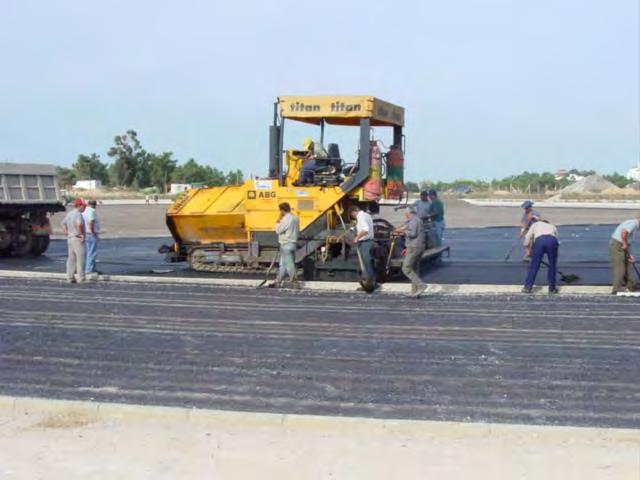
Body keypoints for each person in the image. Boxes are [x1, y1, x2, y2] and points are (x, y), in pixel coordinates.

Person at [394, 206, 428, 297]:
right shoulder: (415, 220)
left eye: (406, 213)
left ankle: (421, 285)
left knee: (406, 268)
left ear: (408, 213)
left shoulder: (414, 220)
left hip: (415, 247)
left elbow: (412, 233)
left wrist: (401, 231)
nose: (405, 215)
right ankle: (414, 292)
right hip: (415, 246)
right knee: (414, 269)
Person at [522, 219, 559, 294]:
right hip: (552, 241)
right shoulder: (552, 226)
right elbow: (556, 238)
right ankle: (552, 288)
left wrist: (528, 249)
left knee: (534, 265)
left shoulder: (536, 224)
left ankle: (527, 287)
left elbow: (528, 237)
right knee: (552, 265)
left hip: (540, 241)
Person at [609, 216, 640, 294]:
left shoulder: (634, 225)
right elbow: (624, 232)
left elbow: (627, 239)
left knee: (629, 264)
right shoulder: (633, 223)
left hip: (622, 244)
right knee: (620, 268)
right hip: (617, 245)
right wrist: (624, 244)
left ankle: (631, 286)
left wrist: (629, 254)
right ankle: (616, 289)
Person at [273, 202, 300, 287]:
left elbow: (278, 230)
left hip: (286, 244)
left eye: (280, 210)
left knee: (289, 264)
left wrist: (278, 221)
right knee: (283, 264)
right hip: (293, 243)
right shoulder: (295, 218)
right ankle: (278, 281)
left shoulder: (286, 219)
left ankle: (294, 281)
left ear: (282, 210)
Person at [61, 198, 87, 284]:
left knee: (71, 259)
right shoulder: (78, 214)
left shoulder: (70, 213)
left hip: (70, 238)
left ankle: (70, 277)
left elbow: (63, 223)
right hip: (77, 238)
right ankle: (81, 278)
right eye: (84, 206)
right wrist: (81, 235)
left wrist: (66, 233)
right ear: (79, 205)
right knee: (80, 259)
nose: (85, 208)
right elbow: (78, 224)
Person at [349, 205, 376, 286]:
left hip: (365, 243)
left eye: (352, 215)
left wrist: (357, 238)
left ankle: (369, 283)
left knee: (365, 263)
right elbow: (364, 227)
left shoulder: (360, 216)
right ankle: (370, 281)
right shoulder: (366, 215)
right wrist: (354, 228)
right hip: (369, 241)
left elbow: (365, 229)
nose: (353, 217)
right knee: (367, 263)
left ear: (353, 212)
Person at [83, 199, 101, 276]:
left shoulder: (84, 211)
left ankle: (92, 268)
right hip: (91, 233)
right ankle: (89, 269)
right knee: (92, 252)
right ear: (94, 205)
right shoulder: (91, 211)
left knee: (89, 252)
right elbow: (91, 222)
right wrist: (93, 232)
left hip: (86, 233)